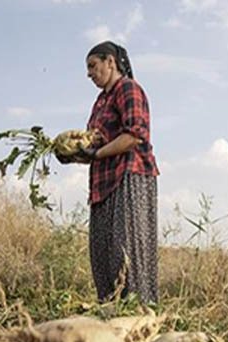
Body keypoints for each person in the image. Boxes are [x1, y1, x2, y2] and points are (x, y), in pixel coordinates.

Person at [60, 40, 160, 305]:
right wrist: (71, 153)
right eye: (88, 68)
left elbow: (135, 135)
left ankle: (139, 314)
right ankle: (111, 313)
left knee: (126, 251)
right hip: (103, 183)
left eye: (93, 66)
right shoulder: (101, 101)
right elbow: (96, 145)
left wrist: (96, 154)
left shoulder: (128, 89)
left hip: (129, 176)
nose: (89, 73)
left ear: (110, 62)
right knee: (102, 255)